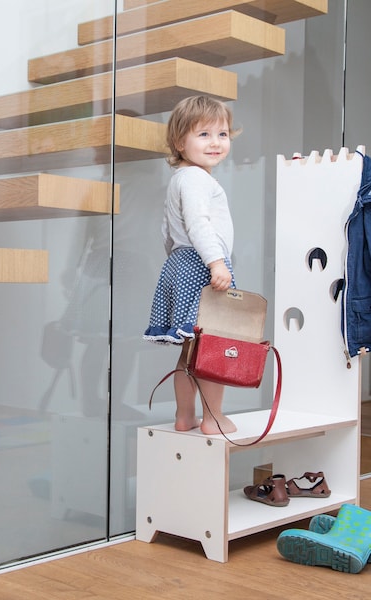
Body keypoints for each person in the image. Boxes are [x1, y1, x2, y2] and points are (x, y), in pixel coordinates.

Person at [143, 95, 240, 435]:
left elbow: (167, 231)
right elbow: (199, 224)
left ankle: (185, 417)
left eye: (222, 134)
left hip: (181, 263)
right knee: (214, 349)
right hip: (201, 264)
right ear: (178, 142)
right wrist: (216, 262)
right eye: (204, 134)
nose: (215, 142)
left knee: (190, 352)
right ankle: (213, 418)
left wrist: (178, 262)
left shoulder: (181, 179)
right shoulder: (198, 180)